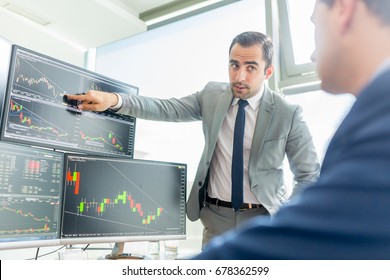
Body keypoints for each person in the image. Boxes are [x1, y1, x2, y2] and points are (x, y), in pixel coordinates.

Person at [65, 31, 320, 247]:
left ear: (268, 72)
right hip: (215, 217)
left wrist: (287, 217)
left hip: (264, 218)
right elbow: (166, 108)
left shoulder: (288, 113)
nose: (240, 76)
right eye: (234, 65)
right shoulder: (212, 95)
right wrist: (115, 100)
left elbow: (308, 175)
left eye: (251, 67)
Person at [188, 0, 390, 259]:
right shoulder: (372, 110)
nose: (313, 56)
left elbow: (318, 227)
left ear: (344, 9)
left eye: (317, 27)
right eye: (235, 65)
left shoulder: (378, 119)